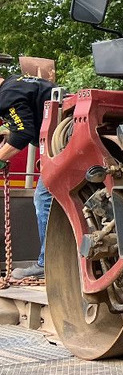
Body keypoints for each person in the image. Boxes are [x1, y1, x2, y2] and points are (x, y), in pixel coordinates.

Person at [0, 57, 55, 281]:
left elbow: (22, 134)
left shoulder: (6, 96)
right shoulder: (17, 83)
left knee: (43, 197)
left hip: (64, 142)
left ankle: (47, 263)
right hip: (66, 137)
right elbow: (25, 123)